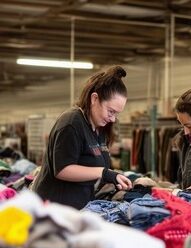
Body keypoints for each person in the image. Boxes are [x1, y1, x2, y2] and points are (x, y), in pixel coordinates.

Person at [32, 65, 132, 209]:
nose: (113, 119)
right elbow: (62, 170)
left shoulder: (99, 127)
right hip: (54, 207)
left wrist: (112, 178)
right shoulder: (71, 124)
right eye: (110, 111)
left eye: (116, 114)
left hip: (78, 205)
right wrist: (103, 173)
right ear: (94, 99)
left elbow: (91, 165)